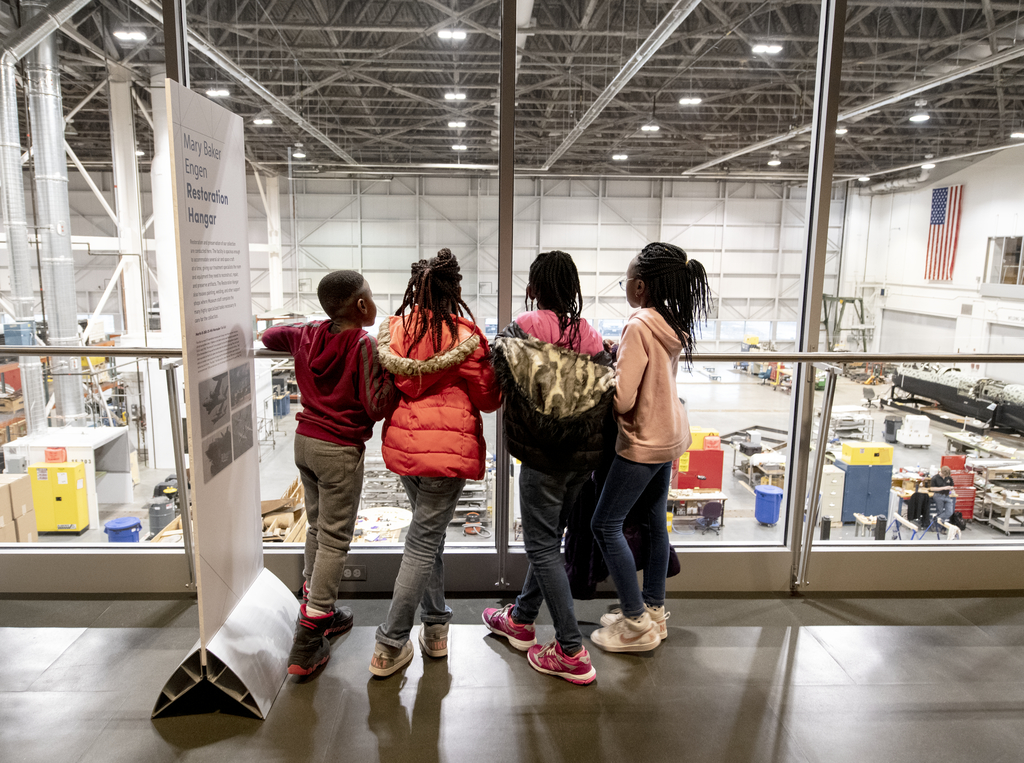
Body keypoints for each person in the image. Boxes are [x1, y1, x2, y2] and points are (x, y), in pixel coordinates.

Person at [482, 250, 614, 685]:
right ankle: (519, 620)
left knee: (541, 547)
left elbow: (496, 366)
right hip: (582, 460)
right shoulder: (592, 336)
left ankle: (571, 651)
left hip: (542, 457)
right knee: (549, 542)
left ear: (535, 286)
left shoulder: (525, 326)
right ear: (572, 287)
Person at [370, 248, 501, 677]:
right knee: (425, 540)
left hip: (406, 449)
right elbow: (488, 398)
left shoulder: (396, 330)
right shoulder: (464, 335)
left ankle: (436, 626)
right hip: (448, 451)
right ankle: (390, 643)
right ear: (454, 290)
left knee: (429, 536)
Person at [262, 271, 394, 676]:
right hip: (338, 449)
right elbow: (375, 406)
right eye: (369, 297)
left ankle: (317, 603)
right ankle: (309, 636)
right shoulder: (363, 344)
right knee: (336, 539)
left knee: (318, 528)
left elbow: (268, 338)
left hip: (304, 443)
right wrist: (395, 378)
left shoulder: (308, 335)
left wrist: (307, 326)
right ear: (360, 306)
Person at [589, 242, 712, 653]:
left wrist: (608, 370)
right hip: (672, 435)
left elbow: (623, 400)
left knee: (604, 524)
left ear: (639, 286)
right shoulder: (671, 322)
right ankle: (654, 609)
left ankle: (636, 622)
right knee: (656, 522)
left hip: (644, 439)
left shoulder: (638, 325)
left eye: (626, 281)